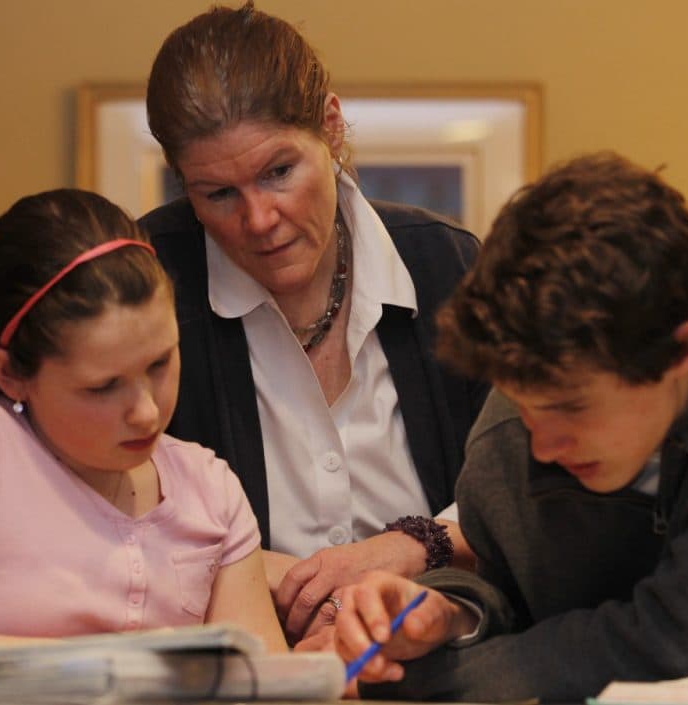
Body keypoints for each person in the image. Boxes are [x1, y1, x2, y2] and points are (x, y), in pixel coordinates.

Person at [333, 151, 688, 702]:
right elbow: (514, 599)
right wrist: (446, 615)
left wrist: (419, 682)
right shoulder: (506, 438)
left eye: (572, 407)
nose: (542, 443)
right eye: (523, 403)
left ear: (683, 349)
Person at [139, 0, 488, 643]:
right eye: (217, 194)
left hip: (447, 659)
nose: (259, 221)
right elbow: (105, 519)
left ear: (330, 126)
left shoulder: (447, 266)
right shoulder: (150, 284)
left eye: (279, 173)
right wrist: (265, 580)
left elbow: (536, 499)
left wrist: (416, 547)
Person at [0, 189, 286, 669]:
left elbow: (263, 680)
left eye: (160, 362)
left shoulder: (210, 489)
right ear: (10, 375)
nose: (146, 412)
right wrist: (99, 664)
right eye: (103, 387)